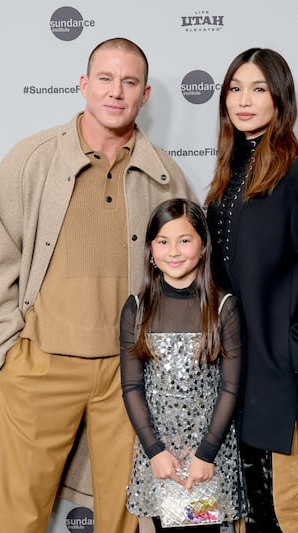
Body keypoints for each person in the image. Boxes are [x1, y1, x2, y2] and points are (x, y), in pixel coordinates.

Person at [0, 37, 196, 533]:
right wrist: (10, 349)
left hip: (129, 376)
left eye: (129, 82)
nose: (116, 92)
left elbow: (188, 277)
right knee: (13, 515)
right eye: (106, 78)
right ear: (84, 84)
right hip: (42, 364)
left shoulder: (165, 176)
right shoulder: (31, 160)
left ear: (145, 94)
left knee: (127, 514)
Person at [204, 48, 298, 532]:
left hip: (275, 373)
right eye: (234, 88)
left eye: (258, 89)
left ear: (280, 98)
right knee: (245, 508)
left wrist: (294, 356)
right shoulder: (226, 178)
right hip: (229, 373)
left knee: (282, 509)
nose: (243, 100)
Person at [119, 199, 246, 532]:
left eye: (184, 240)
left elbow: (230, 387)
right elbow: (131, 386)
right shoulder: (136, 308)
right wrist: (155, 451)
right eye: (163, 241)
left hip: (206, 456)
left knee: (200, 529)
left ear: (203, 246)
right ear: (150, 249)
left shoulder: (223, 308)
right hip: (160, 456)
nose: (173, 251)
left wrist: (205, 453)